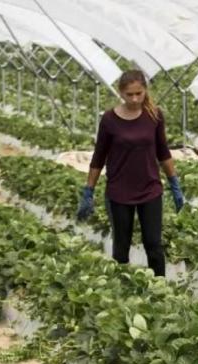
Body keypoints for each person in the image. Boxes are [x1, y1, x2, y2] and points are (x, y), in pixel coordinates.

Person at [78, 69, 184, 277]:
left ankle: (161, 290)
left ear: (145, 90)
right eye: (130, 94)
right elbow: (99, 157)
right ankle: (121, 291)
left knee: (154, 245)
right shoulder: (109, 120)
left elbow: (163, 152)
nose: (135, 99)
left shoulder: (154, 115)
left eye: (139, 93)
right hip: (119, 191)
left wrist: (174, 183)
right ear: (121, 93)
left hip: (150, 188)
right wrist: (88, 190)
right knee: (121, 247)